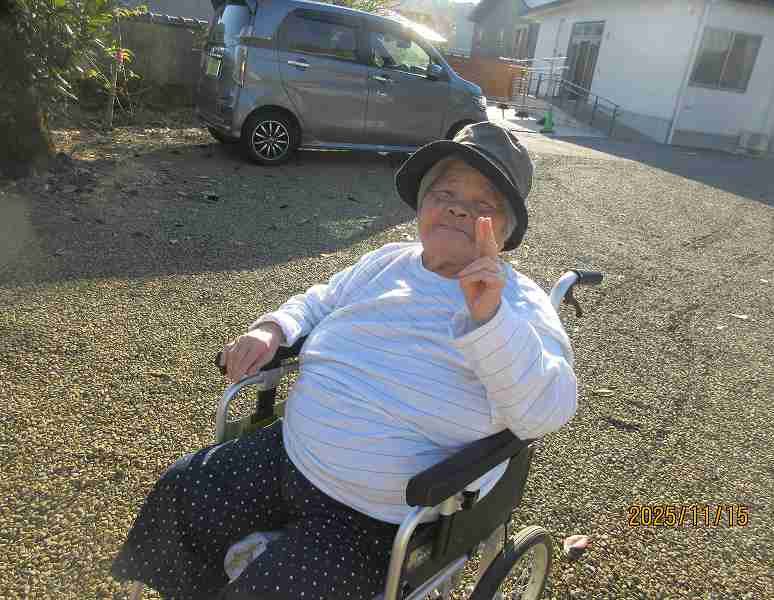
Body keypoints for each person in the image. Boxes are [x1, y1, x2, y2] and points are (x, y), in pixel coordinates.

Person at [112, 122, 577, 600]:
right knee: (184, 492)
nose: (459, 207)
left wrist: (491, 320)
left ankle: (262, 562)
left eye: (484, 205)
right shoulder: (388, 260)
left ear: (505, 231)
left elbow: (546, 412)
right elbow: (319, 301)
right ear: (422, 204)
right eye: (446, 192)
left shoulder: (518, 303)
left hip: (372, 520)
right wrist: (273, 329)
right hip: (288, 455)